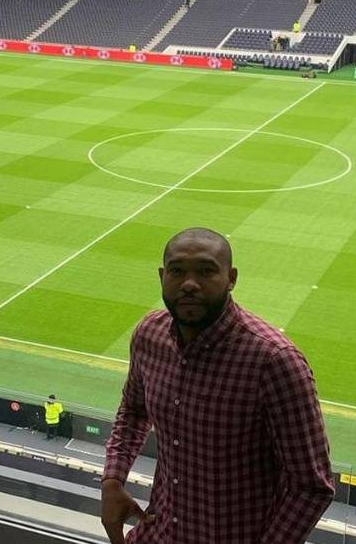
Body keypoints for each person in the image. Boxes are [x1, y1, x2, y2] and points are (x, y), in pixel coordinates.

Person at [101, 228, 334, 544]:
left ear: (231, 278)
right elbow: (133, 410)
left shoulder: (274, 362)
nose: (189, 284)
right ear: (162, 276)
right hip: (157, 534)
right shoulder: (148, 336)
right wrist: (112, 480)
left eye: (206, 271)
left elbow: (311, 485)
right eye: (178, 271)